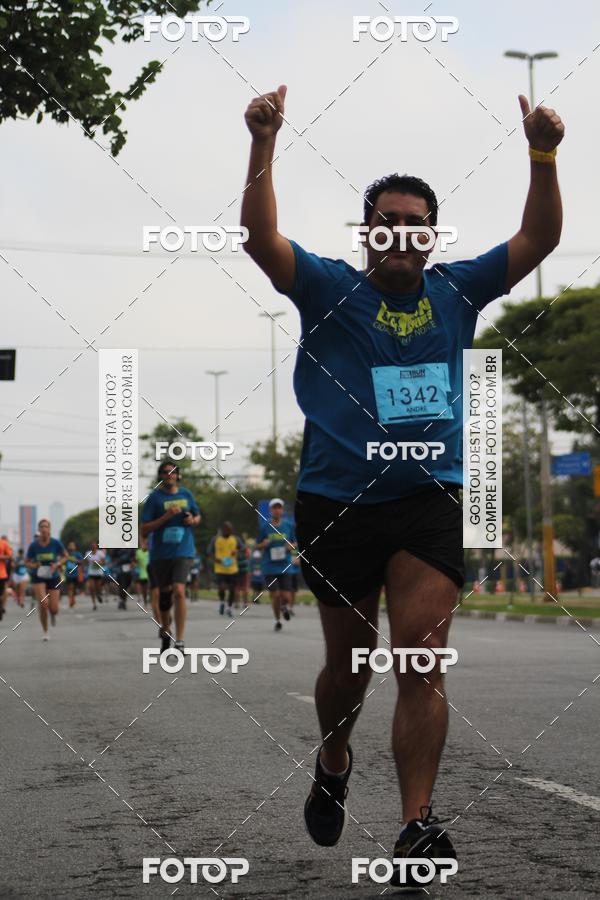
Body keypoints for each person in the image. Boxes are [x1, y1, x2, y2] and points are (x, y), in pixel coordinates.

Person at [242, 84, 564, 885]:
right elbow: (258, 236)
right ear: (368, 231)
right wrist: (264, 141)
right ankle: (335, 755)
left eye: (418, 225)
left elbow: (538, 235)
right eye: (388, 221)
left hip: (429, 500)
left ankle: (416, 825)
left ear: (429, 235)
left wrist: (543, 154)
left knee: (421, 659)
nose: (403, 235)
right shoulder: (325, 287)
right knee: (348, 669)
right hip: (337, 501)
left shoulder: (457, 288)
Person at [141, 461, 201, 652]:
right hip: (160, 554)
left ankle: (181, 640)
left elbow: (197, 516)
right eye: (166, 472)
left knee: (180, 591)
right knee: (165, 596)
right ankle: (166, 628)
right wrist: (166, 517)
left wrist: (192, 520)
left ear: (178, 475)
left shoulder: (186, 494)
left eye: (173, 472)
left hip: (183, 550)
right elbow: (144, 528)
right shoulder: (154, 498)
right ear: (160, 476)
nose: (170, 475)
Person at [256, 499, 296, 631]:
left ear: (282, 510)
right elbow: (257, 545)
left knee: (286, 596)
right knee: (275, 595)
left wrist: (291, 545)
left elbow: (295, 542)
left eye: (279, 508)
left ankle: (284, 607)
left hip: (285, 565)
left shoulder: (289, 525)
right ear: (270, 510)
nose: (277, 510)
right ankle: (278, 620)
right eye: (274, 508)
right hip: (269, 566)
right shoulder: (265, 527)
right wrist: (263, 544)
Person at [25, 519, 68, 639]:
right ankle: (45, 631)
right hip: (38, 576)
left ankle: (53, 614)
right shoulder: (34, 546)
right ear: (39, 530)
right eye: (42, 527)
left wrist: (58, 563)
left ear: (49, 529)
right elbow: (27, 562)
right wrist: (34, 565)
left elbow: (65, 556)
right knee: (43, 604)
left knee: (54, 609)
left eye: (46, 527)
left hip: (53, 576)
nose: (44, 529)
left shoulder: (55, 543)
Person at [208, 522, 245, 617]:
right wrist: (215, 558)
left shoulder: (235, 539)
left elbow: (243, 548)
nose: (228, 531)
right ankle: (222, 602)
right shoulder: (215, 539)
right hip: (220, 568)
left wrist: (237, 551)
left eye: (230, 529)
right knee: (222, 587)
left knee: (232, 588)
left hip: (233, 568)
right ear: (222, 530)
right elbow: (209, 551)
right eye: (226, 529)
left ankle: (229, 607)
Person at [64, 541, 84, 608]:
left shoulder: (77, 554)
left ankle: (73, 598)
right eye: (70, 545)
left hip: (75, 573)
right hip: (68, 573)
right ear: (68, 547)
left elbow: (82, 561)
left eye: (72, 545)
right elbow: (62, 561)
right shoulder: (66, 554)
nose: (71, 547)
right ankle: (70, 600)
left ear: (75, 547)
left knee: (74, 588)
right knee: (70, 588)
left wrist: (76, 561)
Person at [87, 541, 106, 610]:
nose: (93, 546)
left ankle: (99, 595)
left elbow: (104, 562)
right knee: (92, 588)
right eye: (92, 545)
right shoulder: (88, 553)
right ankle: (94, 604)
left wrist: (100, 562)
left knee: (98, 588)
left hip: (99, 573)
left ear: (97, 546)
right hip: (91, 573)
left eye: (94, 545)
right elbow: (85, 561)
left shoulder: (100, 553)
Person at [0, 534, 13, 621]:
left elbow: (10, 556)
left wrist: (1, 557)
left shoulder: (3, 543)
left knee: (2, 593)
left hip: (2, 573)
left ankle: (2, 607)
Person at [135, 537, 150, 608]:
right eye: (144, 543)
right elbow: (136, 562)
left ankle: (152, 601)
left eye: (146, 543)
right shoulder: (138, 552)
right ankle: (145, 601)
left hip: (151, 574)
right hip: (142, 574)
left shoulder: (151, 551)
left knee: (150, 589)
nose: (145, 545)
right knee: (144, 591)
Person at [237, 538, 251, 609]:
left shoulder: (235, 549)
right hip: (245, 569)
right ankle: (245, 603)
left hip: (236, 570)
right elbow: (249, 557)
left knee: (237, 587)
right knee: (245, 587)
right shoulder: (246, 549)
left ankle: (236, 603)